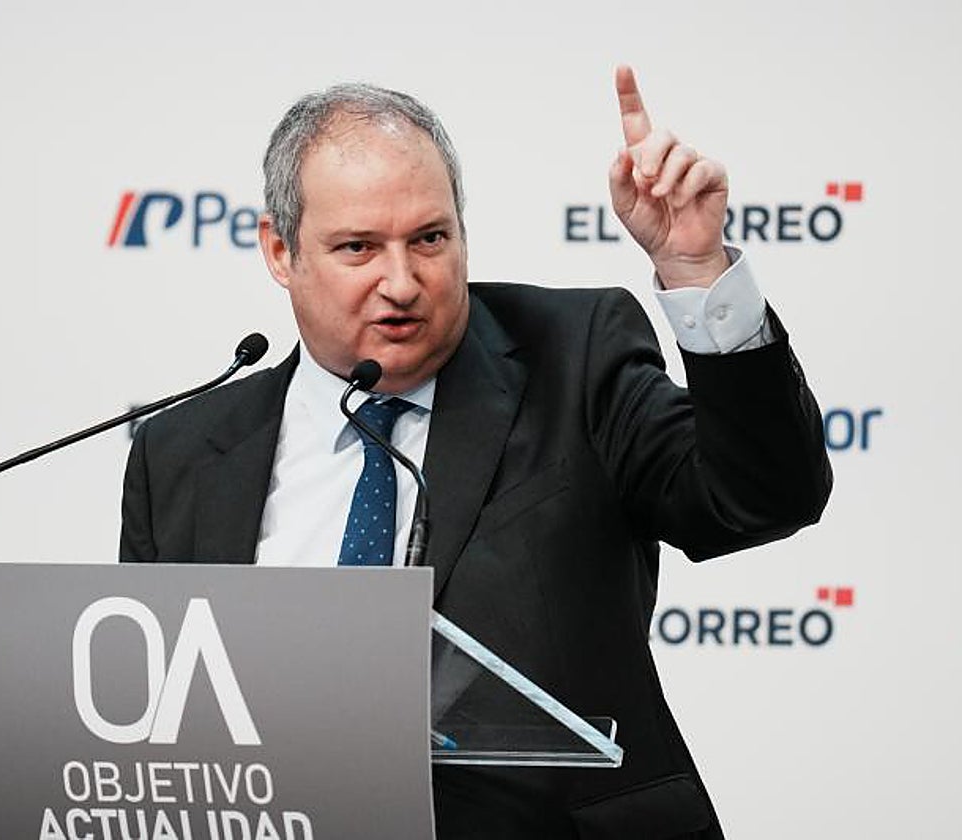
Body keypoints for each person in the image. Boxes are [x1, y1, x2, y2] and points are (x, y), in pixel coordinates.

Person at [121, 67, 832, 839]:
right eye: (359, 247)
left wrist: (696, 270)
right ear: (280, 250)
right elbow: (159, 734)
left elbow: (762, 497)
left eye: (430, 238)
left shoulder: (575, 357)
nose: (402, 282)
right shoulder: (181, 454)